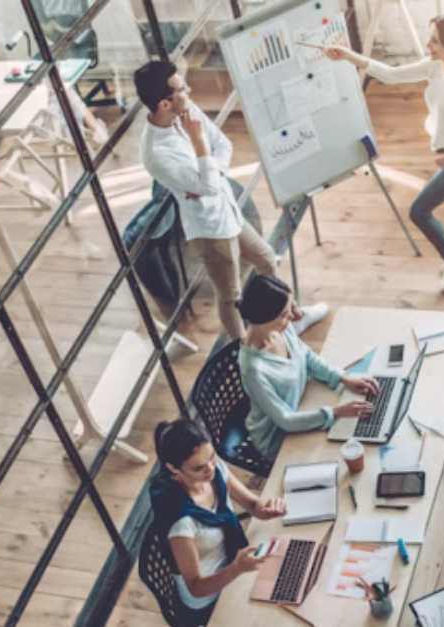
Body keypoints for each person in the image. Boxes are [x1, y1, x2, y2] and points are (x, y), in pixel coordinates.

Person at [134, 61, 327, 338]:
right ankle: (243, 350)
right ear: (165, 104)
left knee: (267, 260)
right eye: (181, 88)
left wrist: (211, 172)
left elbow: (223, 145)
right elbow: (209, 185)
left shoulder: (185, 110)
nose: (188, 90)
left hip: (228, 211)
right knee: (230, 296)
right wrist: (200, 144)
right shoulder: (157, 154)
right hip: (210, 230)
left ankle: (290, 315)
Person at [325, 12, 444, 292]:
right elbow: (390, 75)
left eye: (435, 41)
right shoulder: (436, 66)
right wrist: (348, 56)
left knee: (419, 211)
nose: (429, 46)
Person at [147, 419, 286, 623]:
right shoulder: (180, 521)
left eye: (212, 457)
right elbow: (196, 587)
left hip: (235, 565)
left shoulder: (213, 467)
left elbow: (253, 505)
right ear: (173, 468)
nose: (211, 469)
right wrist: (237, 568)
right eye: (198, 468)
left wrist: (268, 509)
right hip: (210, 597)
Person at [237, 275, 379, 460]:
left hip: (304, 404)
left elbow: (307, 357)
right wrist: (336, 412)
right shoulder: (253, 370)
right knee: (343, 452)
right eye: (284, 314)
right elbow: (285, 420)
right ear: (265, 317)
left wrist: (343, 377)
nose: (294, 316)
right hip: (279, 438)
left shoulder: (280, 329)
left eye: (291, 308)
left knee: (361, 436)